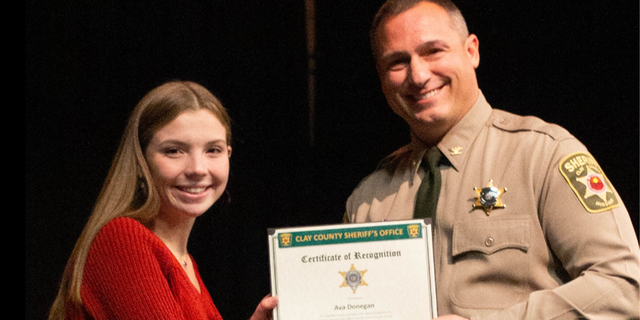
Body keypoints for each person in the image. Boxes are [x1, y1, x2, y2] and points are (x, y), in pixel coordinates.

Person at [343, 0, 640, 319]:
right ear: (381, 77)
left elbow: (624, 287)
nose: (418, 75)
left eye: (433, 51)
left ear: (471, 51)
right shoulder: (367, 199)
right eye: (398, 62)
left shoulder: (544, 155)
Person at [48, 81, 278, 320]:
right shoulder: (122, 239)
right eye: (174, 151)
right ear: (140, 161)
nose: (198, 169)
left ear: (228, 155)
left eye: (213, 150)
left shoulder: (185, 262)